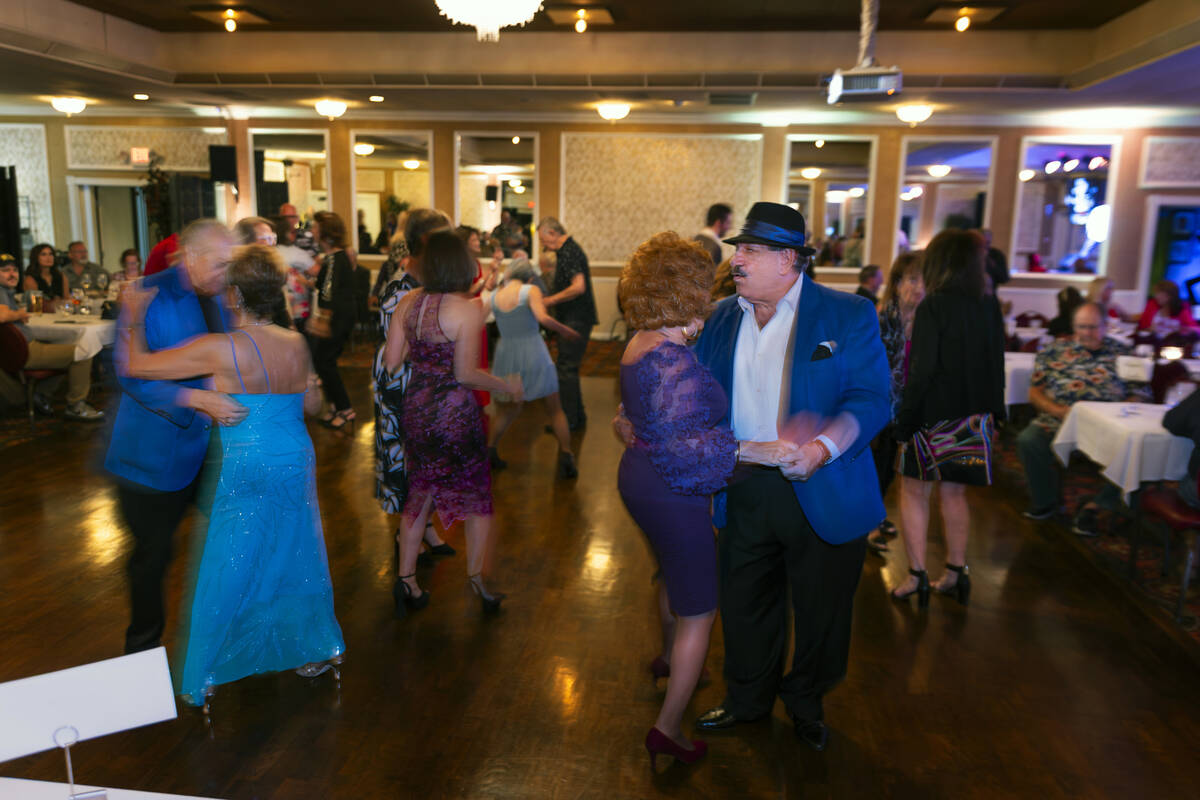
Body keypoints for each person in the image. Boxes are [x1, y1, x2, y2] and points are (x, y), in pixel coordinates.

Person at [672, 202, 890, 751]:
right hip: (743, 483)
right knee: (746, 602)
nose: (737, 259)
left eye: (750, 249)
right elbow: (695, 392)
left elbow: (872, 399)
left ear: (789, 260)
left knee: (821, 609)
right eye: (738, 248)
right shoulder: (721, 315)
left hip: (823, 485)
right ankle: (747, 700)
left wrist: (821, 446)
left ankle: (806, 702)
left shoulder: (848, 315)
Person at [119, 244, 344, 706]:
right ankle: (310, 650)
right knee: (294, 549)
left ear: (235, 296)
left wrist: (133, 316)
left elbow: (136, 366)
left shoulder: (222, 348)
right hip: (295, 457)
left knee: (230, 558)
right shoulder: (296, 341)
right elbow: (314, 407)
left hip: (249, 462)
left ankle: (209, 671)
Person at [616, 231, 801, 767]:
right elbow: (687, 451)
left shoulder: (643, 340)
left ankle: (667, 662)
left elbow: (646, 416)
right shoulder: (670, 358)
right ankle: (668, 728)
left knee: (669, 577)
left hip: (641, 479)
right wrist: (757, 450)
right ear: (689, 289)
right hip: (671, 489)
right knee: (701, 610)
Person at [104, 219, 249, 654]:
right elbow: (130, 373)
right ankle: (142, 654)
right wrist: (195, 398)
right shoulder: (146, 294)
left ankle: (234, 636)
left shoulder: (221, 295)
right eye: (220, 264)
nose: (227, 273)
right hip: (150, 457)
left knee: (235, 535)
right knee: (152, 559)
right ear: (190, 257)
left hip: (208, 450)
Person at [384, 230, 522, 618]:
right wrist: (504, 384)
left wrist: (422, 345)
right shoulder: (467, 307)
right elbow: (466, 374)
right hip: (454, 414)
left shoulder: (408, 302)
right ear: (461, 264)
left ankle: (406, 580)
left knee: (420, 491)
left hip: (417, 408)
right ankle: (477, 580)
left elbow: (392, 360)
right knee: (477, 496)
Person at [891, 230, 1006, 607]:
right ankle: (957, 571)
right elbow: (996, 365)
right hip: (973, 417)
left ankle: (917, 574)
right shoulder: (988, 304)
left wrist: (905, 422)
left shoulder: (934, 307)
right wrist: (996, 414)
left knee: (914, 492)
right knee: (956, 495)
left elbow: (921, 372)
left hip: (932, 418)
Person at [375, 208, 457, 566]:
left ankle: (424, 528)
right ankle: (408, 532)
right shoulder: (401, 290)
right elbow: (400, 353)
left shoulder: (432, 282)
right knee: (412, 463)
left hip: (428, 385)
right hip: (406, 386)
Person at [1017, 303, 1143, 531]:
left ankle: (1097, 506)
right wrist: (1056, 410)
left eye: (1093, 327)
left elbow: (1140, 394)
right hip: (1060, 419)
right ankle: (1045, 502)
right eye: (1081, 327)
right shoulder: (1053, 351)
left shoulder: (1124, 353)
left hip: (1110, 424)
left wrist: (1116, 413)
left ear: (1106, 326)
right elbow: (1034, 391)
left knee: (1138, 450)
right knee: (1029, 440)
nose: (1086, 332)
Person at [486, 258, 581, 477]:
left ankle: (491, 450)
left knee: (507, 409)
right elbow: (542, 317)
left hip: (507, 355)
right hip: (533, 352)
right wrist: (565, 331)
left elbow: (479, 319)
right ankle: (567, 455)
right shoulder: (530, 290)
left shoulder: (494, 296)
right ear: (529, 277)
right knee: (555, 409)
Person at [867, 251, 925, 554]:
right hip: (880, 403)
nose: (919, 288)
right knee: (878, 464)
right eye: (913, 279)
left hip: (907, 406)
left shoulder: (928, 320)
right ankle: (870, 524)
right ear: (899, 281)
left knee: (892, 467)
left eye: (925, 281)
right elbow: (874, 366)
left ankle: (876, 516)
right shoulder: (882, 316)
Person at [0, 254, 104, 420]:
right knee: (84, 352)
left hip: (22, 348)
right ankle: (76, 406)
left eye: (14, 270)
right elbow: (1, 315)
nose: (12, 274)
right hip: (26, 351)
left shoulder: (7, 290)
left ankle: (40, 395)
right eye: (5, 270)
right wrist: (18, 313)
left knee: (67, 344)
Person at [538, 217, 597, 431]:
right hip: (576, 317)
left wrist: (549, 301)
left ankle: (569, 421)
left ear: (553, 233)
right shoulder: (567, 251)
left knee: (566, 369)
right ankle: (577, 417)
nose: (544, 245)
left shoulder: (569, 251)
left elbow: (578, 287)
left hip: (576, 317)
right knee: (568, 368)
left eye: (544, 239)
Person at [309, 211, 357, 430]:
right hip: (341, 315)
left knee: (325, 363)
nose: (312, 231)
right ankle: (335, 407)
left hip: (338, 317)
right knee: (323, 362)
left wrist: (323, 320)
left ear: (325, 233)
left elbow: (328, 292)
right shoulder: (334, 258)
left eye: (315, 227)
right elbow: (323, 285)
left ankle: (345, 409)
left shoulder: (336, 258)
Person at [275, 215, 319, 331]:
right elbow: (317, 272)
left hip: (274, 307)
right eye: (293, 232)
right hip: (296, 308)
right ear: (286, 234)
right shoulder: (296, 253)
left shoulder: (267, 252)